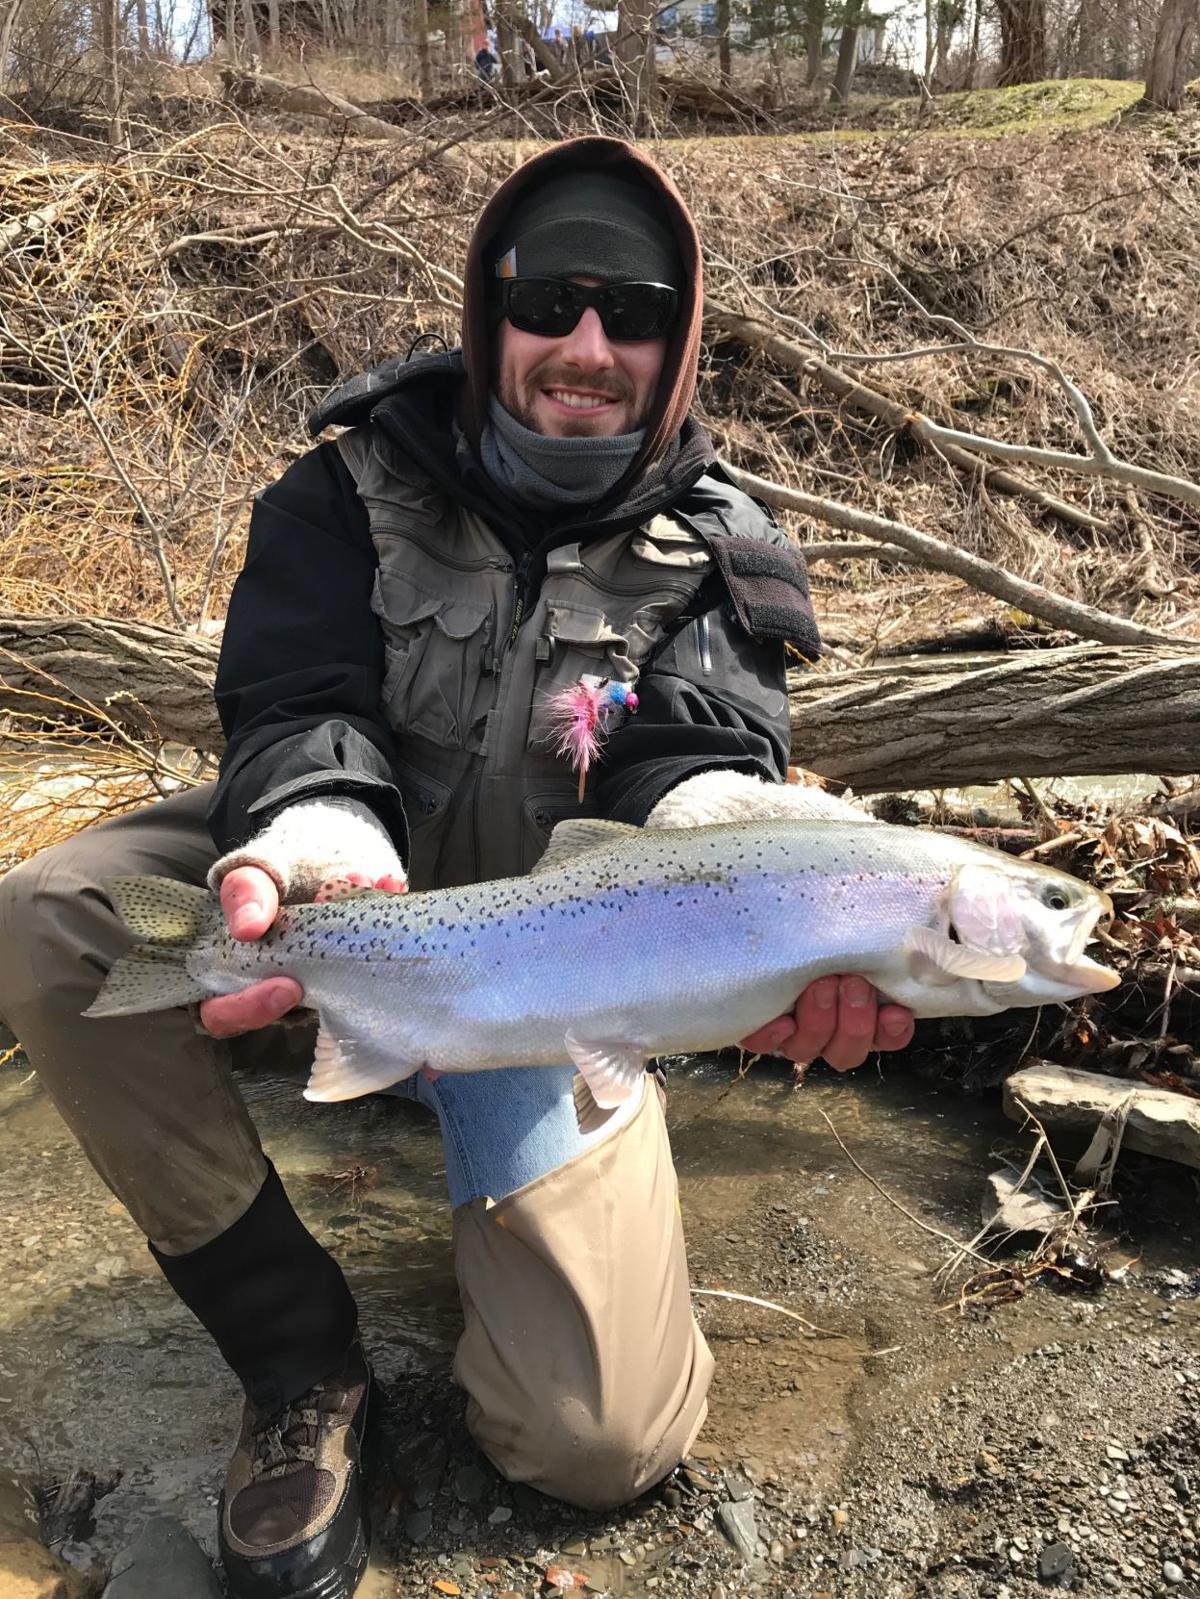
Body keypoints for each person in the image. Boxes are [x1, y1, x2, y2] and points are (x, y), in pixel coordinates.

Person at [0, 138, 915, 1599]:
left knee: (595, 1445)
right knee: (52, 921)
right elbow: (295, 702)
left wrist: (727, 843)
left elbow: (692, 753)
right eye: (551, 299)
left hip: (554, 967)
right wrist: (317, 834)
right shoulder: (345, 488)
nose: (587, 346)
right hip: (346, 879)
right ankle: (300, 1361)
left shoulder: (725, 549)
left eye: (634, 314)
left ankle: (484, 1121)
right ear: (492, 313)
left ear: (677, 342)